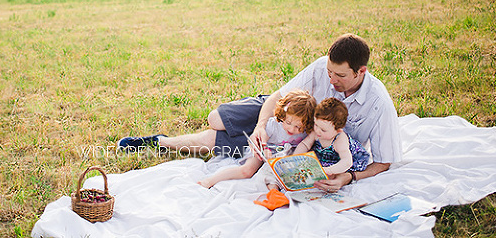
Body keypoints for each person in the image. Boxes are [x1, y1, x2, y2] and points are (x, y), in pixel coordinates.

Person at [118, 33, 402, 192]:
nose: (330, 79)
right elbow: (279, 96)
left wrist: (348, 177)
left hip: (296, 137)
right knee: (215, 119)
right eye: (328, 71)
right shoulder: (320, 68)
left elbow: (384, 162)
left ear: (360, 71)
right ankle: (245, 124)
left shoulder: (378, 102)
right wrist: (261, 126)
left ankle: (159, 141)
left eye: (338, 75)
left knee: (217, 141)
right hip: (283, 112)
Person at [197, 90, 316, 189]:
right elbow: (261, 140)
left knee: (282, 179)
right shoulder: (274, 125)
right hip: (263, 151)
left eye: (298, 127)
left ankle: (273, 196)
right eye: (288, 122)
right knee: (246, 171)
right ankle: (210, 180)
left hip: (282, 157)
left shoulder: (306, 132)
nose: (291, 129)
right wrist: (265, 149)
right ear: (283, 115)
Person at [294, 98, 370, 175]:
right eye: (316, 125)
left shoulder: (340, 140)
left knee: (335, 174)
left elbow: (347, 162)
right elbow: (305, 144)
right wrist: (295, 158)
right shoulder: (316, 132)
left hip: (347, 161)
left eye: (323, 130)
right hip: (326, 158)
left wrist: (328, 170)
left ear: (338, 131)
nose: (317, 130)